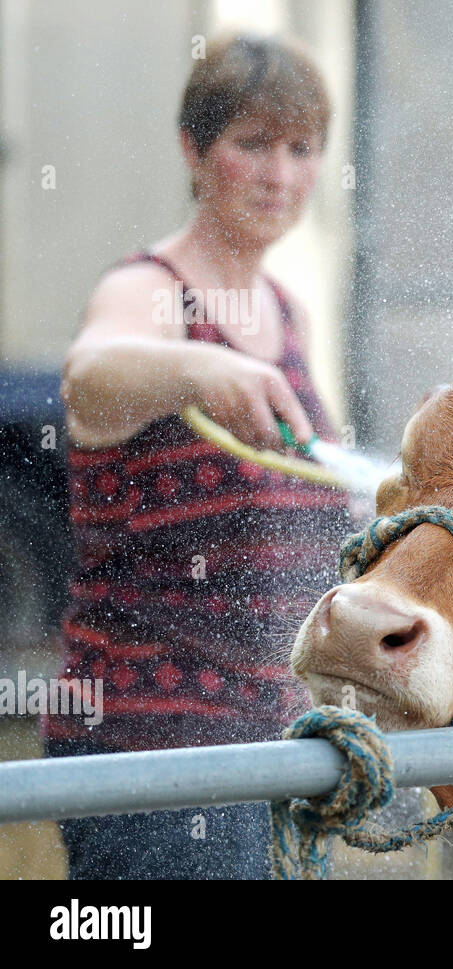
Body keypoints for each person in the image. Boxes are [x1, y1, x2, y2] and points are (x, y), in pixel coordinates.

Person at [46, 33, 352, 879]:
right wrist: (200, 366)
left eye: (301, 148)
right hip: (148, 753)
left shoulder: (288, 312)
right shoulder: (147, 291)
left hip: (272, 747)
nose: (279, 174)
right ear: (193, 149)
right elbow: (90, 378)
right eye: (251, 144)